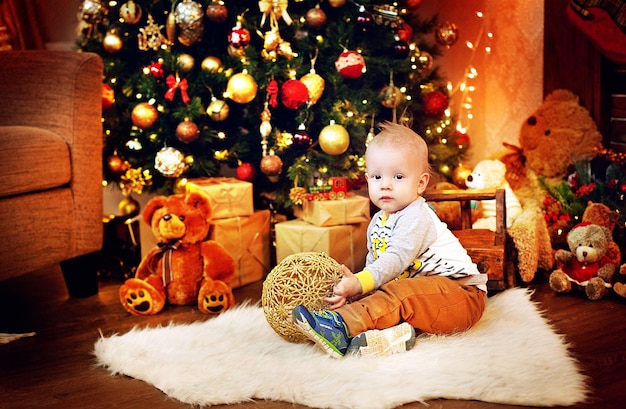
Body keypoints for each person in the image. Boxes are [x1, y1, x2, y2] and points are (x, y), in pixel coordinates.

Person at [292, 122, 488, 358]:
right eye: (377, 176)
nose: (385, 184)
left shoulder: (416, 216)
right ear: (367, 179)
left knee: (402, 293)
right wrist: (356, 291)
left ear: (421, 183)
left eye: (398, 176)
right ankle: (388, 338)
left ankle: (340, 326)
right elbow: (376, 267)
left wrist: (360, 282)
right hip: (425, 299)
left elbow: (395, 259)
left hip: (461, 296)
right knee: (389, 294)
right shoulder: (378, 222)